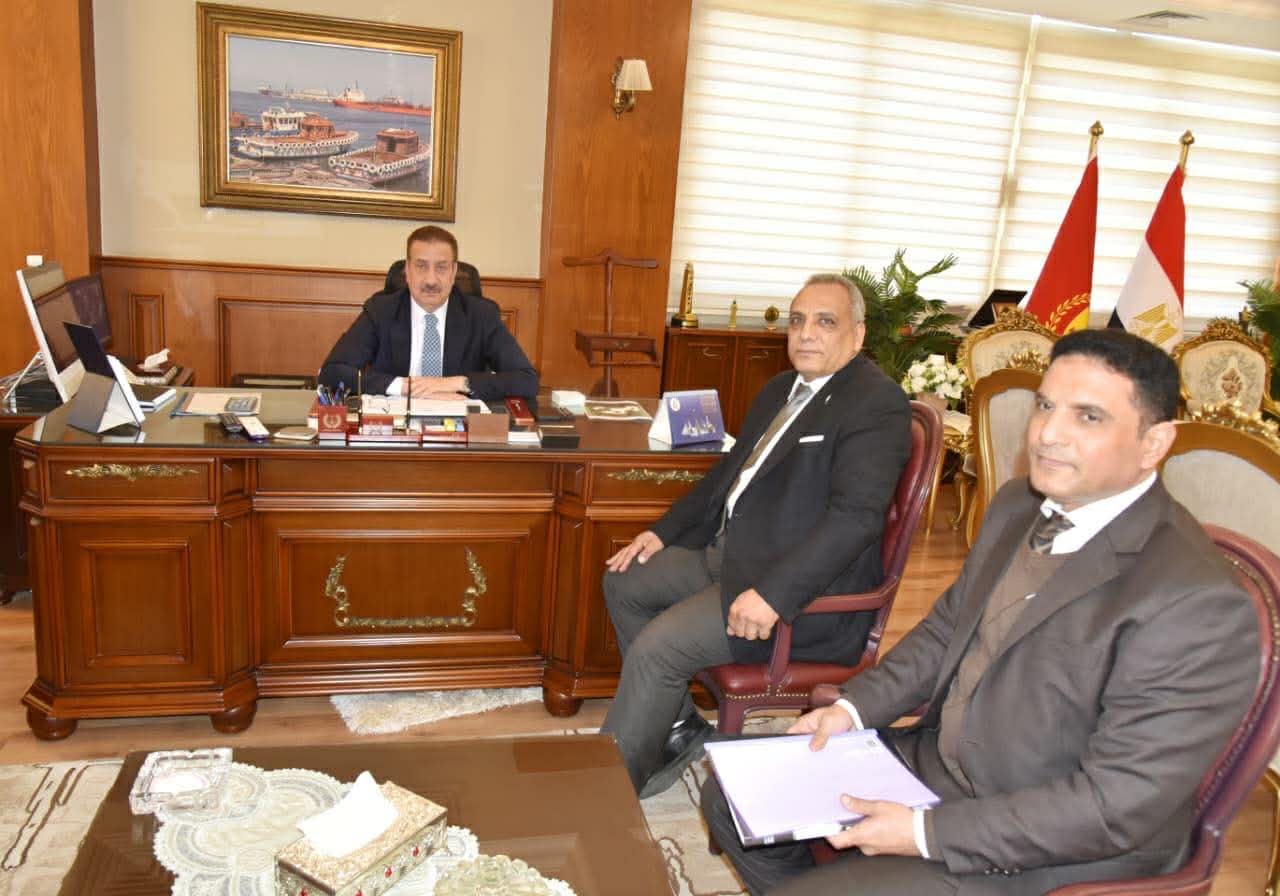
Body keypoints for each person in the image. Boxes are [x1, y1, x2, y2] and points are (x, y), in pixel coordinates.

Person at [702, 328, 1261, 895]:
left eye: (1088, 417)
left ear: (1153, 443)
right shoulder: (1020, 504)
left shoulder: (1197, 601)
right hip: (939, 768)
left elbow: (1115, 804)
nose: (1047, 434)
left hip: (1047, 843)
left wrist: (923, 832)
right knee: (732, 793)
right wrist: (852, 709)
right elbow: (946, 629)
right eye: (1045, 406)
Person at [602, 273, 912, 798]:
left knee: (659, 649)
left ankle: (609, 794)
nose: (806, 333)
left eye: (825, 322)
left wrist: (774, 594)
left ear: (858, 335)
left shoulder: (875, 403)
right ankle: (677, 728)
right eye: (797, 320)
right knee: (625, 580)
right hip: (735, 556)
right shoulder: (780, 389)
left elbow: (855, 519)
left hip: (800, 595)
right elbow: (726, 477)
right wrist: (662, 531)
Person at [319, 225, 538, 400]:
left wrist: (457, 383)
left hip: (459, 428)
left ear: (454, 272)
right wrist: (406, 386)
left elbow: (526, 380)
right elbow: (332, 373)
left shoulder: (481, 315)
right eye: (421, 266)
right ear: (407, 271)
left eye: (441, 267)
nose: (431, 280)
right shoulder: (381, 311)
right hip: (395, 427)